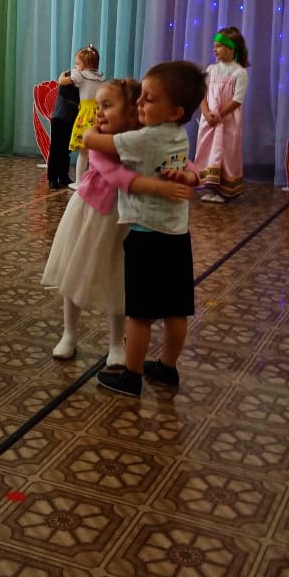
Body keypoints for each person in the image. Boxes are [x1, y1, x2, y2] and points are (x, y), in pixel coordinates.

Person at [43, 78, 195, 367]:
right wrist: (158, 187)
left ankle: (116, 343)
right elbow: (117, 176)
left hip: (125, 221)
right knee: (75, 272)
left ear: (132, 113)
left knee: (119, 281)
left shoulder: (143, 139)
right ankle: (69, 334)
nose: (99, 112)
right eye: (99, 106)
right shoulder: (102, 141)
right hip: (91, 213)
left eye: (107, 106)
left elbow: (179, 161)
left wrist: (191, 175)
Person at [84, 60, 206, 397]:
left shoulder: (144, 139)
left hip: (146, 236)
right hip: (177, 235)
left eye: (148, 99)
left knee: (138, 314)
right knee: (176, 309)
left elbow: (95, 143)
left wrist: (91, 129)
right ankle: (167, 367)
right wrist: (189, 177)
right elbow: (187, 169)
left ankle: (132, 376)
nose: (138, 103)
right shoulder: (179, 135)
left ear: (174, 111)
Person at [195, 27, 250, 202]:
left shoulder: (239, 73)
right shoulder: (211, 70)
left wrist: (218, 114)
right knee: (209, 151)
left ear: (231, 49)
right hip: (209, 120)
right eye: (214, 46)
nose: (214, 50)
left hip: (227, 121)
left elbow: (237, 100)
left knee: (225, 152)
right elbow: (202, 94)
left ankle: (224, 191)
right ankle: (211, 188)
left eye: (218, 46)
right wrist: (206, 113)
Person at [61, 44, 106, 188]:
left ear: (85, 65)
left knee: (83, 151)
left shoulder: (79, 75)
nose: (76, 66)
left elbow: (62, 82)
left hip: (86, 114)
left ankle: (79, 182)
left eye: (77, 63)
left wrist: (62, 75)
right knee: (95, 152)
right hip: (99, 113)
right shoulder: (100, 77)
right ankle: (94, 181)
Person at [46, 80, 79, 189]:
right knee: (56, 149)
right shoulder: (68, 78)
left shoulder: (80, 81)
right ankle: (52, 178)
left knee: (66, 150)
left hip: (71, 119)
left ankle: (63, 177)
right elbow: (65, 88)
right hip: (59, 117)